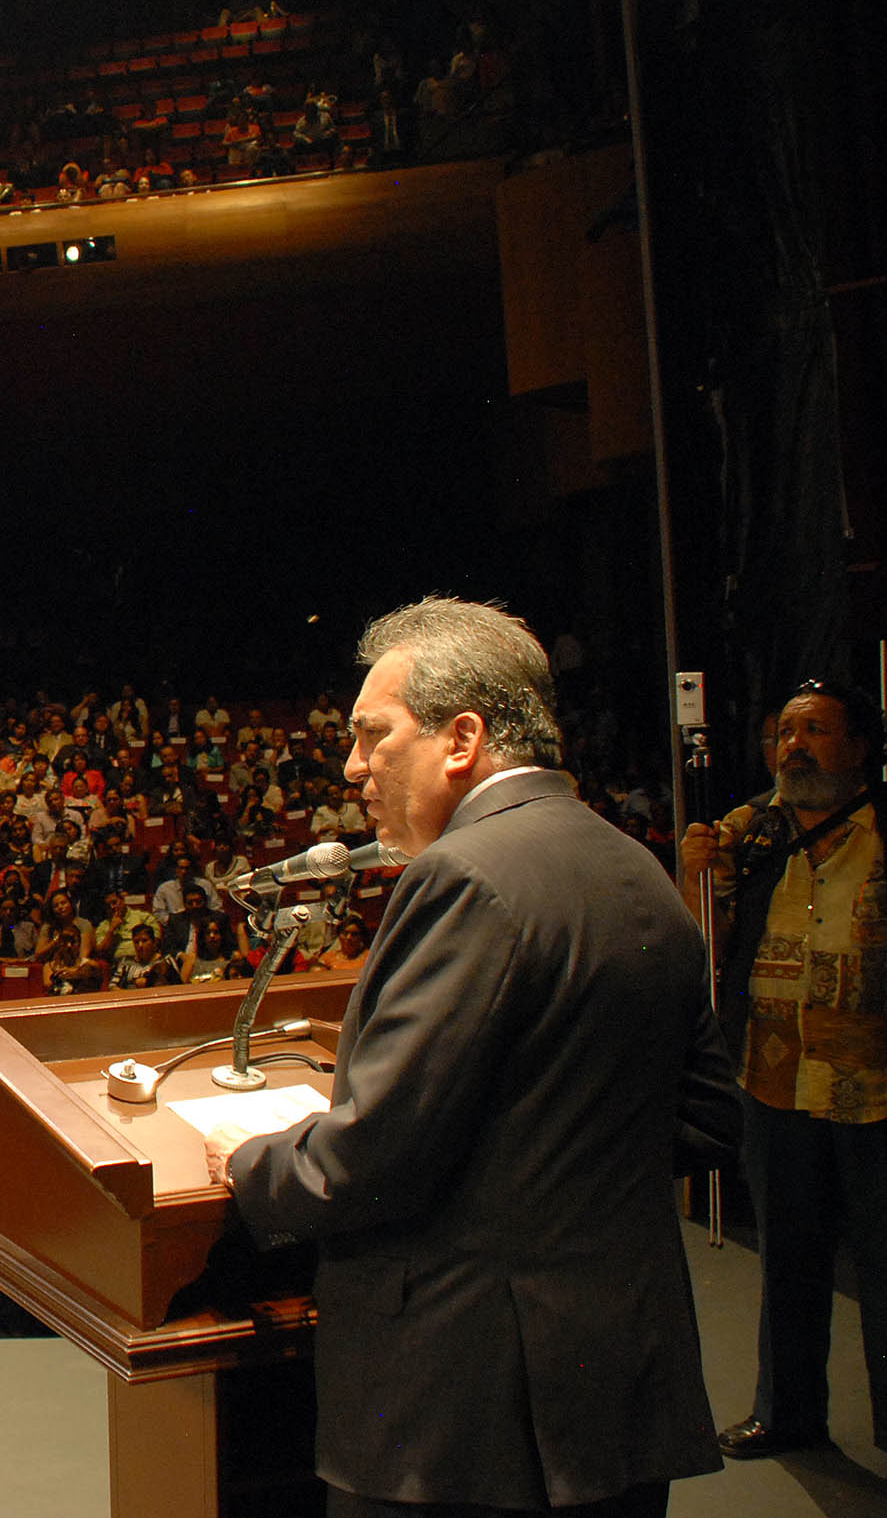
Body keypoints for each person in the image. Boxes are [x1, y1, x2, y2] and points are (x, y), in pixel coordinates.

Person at [207, 597, 742, 1517]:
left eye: (373, 735)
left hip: (468, 1413)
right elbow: (703, 1118)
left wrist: (249, 1163)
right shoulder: (636, 868)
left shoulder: (462, 877)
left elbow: (372, 1161)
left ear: (462, 739)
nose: (352, 766)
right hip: (615, 1384)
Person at [679, 678, 887, 1502]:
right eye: (784, 733)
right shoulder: (753, 834)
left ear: (858, 747)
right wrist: (695, 871)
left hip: (881, 1083)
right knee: (788, 1257)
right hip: (775, 1079)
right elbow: (703, 936)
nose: (795, 746)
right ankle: (787, 1411)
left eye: (816, 731)